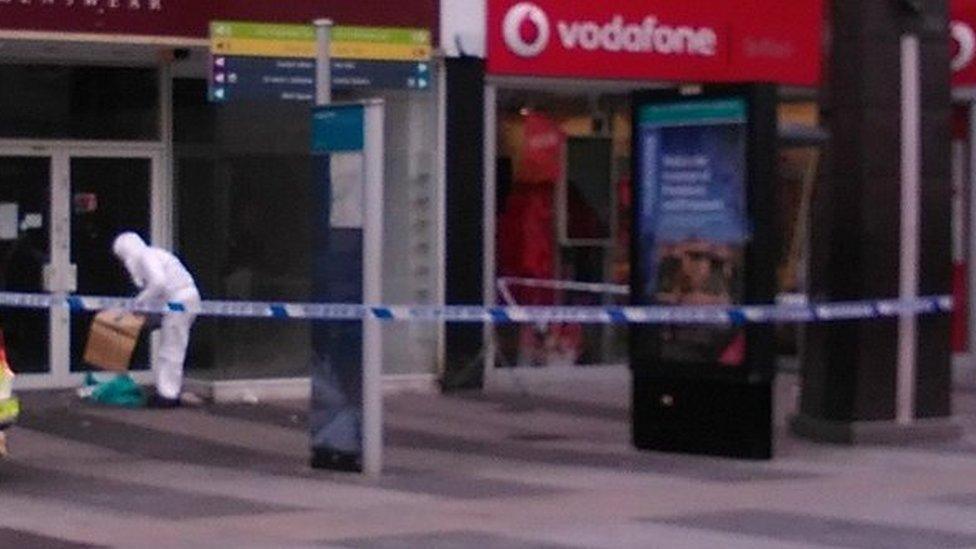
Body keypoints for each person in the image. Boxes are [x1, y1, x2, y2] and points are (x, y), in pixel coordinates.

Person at [112, 232, 200, 408]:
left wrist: (136, 304)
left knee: (171, 349)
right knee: (172, 347)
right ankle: (167, 391)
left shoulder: (146, 256)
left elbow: (158, 283)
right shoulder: (153, 254)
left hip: (179, 301)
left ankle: (168, 395)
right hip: (181, 300)